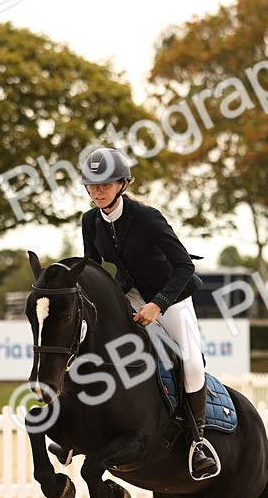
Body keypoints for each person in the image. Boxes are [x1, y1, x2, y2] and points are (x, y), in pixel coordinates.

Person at [79, 147, 219, 481]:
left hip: (170, 293)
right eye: (92, 185)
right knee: (96, 344)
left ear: (123, 184)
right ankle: (80, 424)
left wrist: (158, 305)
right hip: (128, 293)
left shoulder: (147, 217)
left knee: (190, 360)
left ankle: (196, 441)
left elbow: (184, 265)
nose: (97, 191)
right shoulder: (90, 221)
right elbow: (93, 268)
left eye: (105, 184)